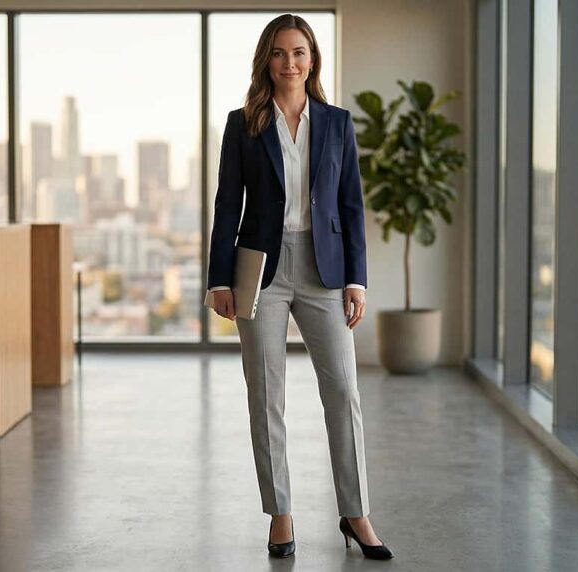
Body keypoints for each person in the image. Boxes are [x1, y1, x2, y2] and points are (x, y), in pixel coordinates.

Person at [206, 13, 393, 561]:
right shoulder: (243, 124)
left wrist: (356, 278)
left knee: (344, 392)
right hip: (258, 269)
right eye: (281, 52)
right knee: (266, 397)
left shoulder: (336, 123)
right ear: (267, 59)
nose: (290, 62)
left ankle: (356, 514)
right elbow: (227, 205)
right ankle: (280, 515)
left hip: (324, 268)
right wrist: (220, 279)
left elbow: (351, 206)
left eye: (300, 53)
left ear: (313, 61)